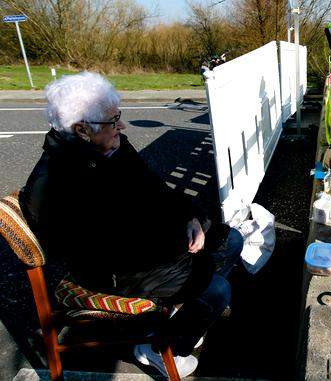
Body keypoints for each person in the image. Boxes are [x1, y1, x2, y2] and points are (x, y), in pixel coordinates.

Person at [20, 71, 243, 378]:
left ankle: (184, 319)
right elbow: (116, 250)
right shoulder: (60, 183)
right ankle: (159, 349)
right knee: (217, 290)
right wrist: (182, 244)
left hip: (144, 251)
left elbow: (158, 191)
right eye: (112, 121)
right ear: (82, 129)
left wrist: (191, 218)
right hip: (111, 270)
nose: (121, 126)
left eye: (117, 117)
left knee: (232, 240)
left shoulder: (110, 149)